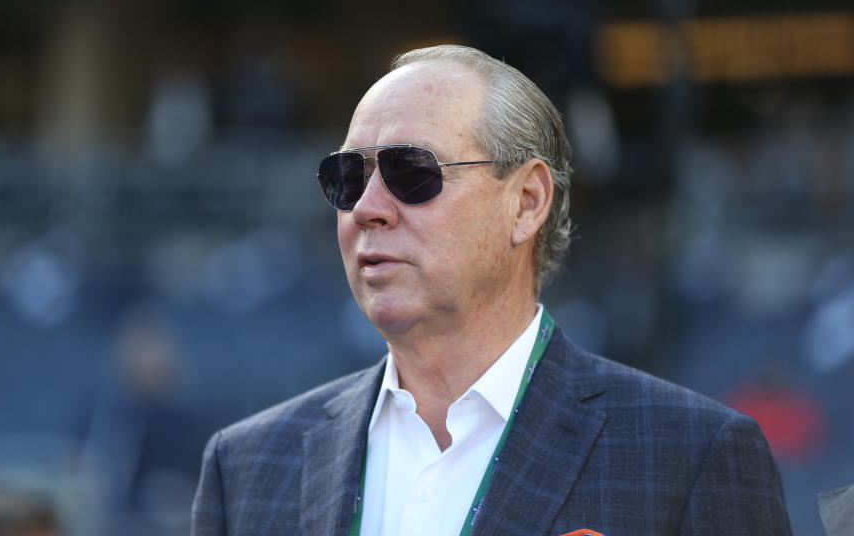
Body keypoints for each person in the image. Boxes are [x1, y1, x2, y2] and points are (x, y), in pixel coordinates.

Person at [191, 44, 792, 535]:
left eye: (411, 172)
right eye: (347, 177)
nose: (368, 208)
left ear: (526, 202)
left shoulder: (690, 456)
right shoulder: (247, 467)